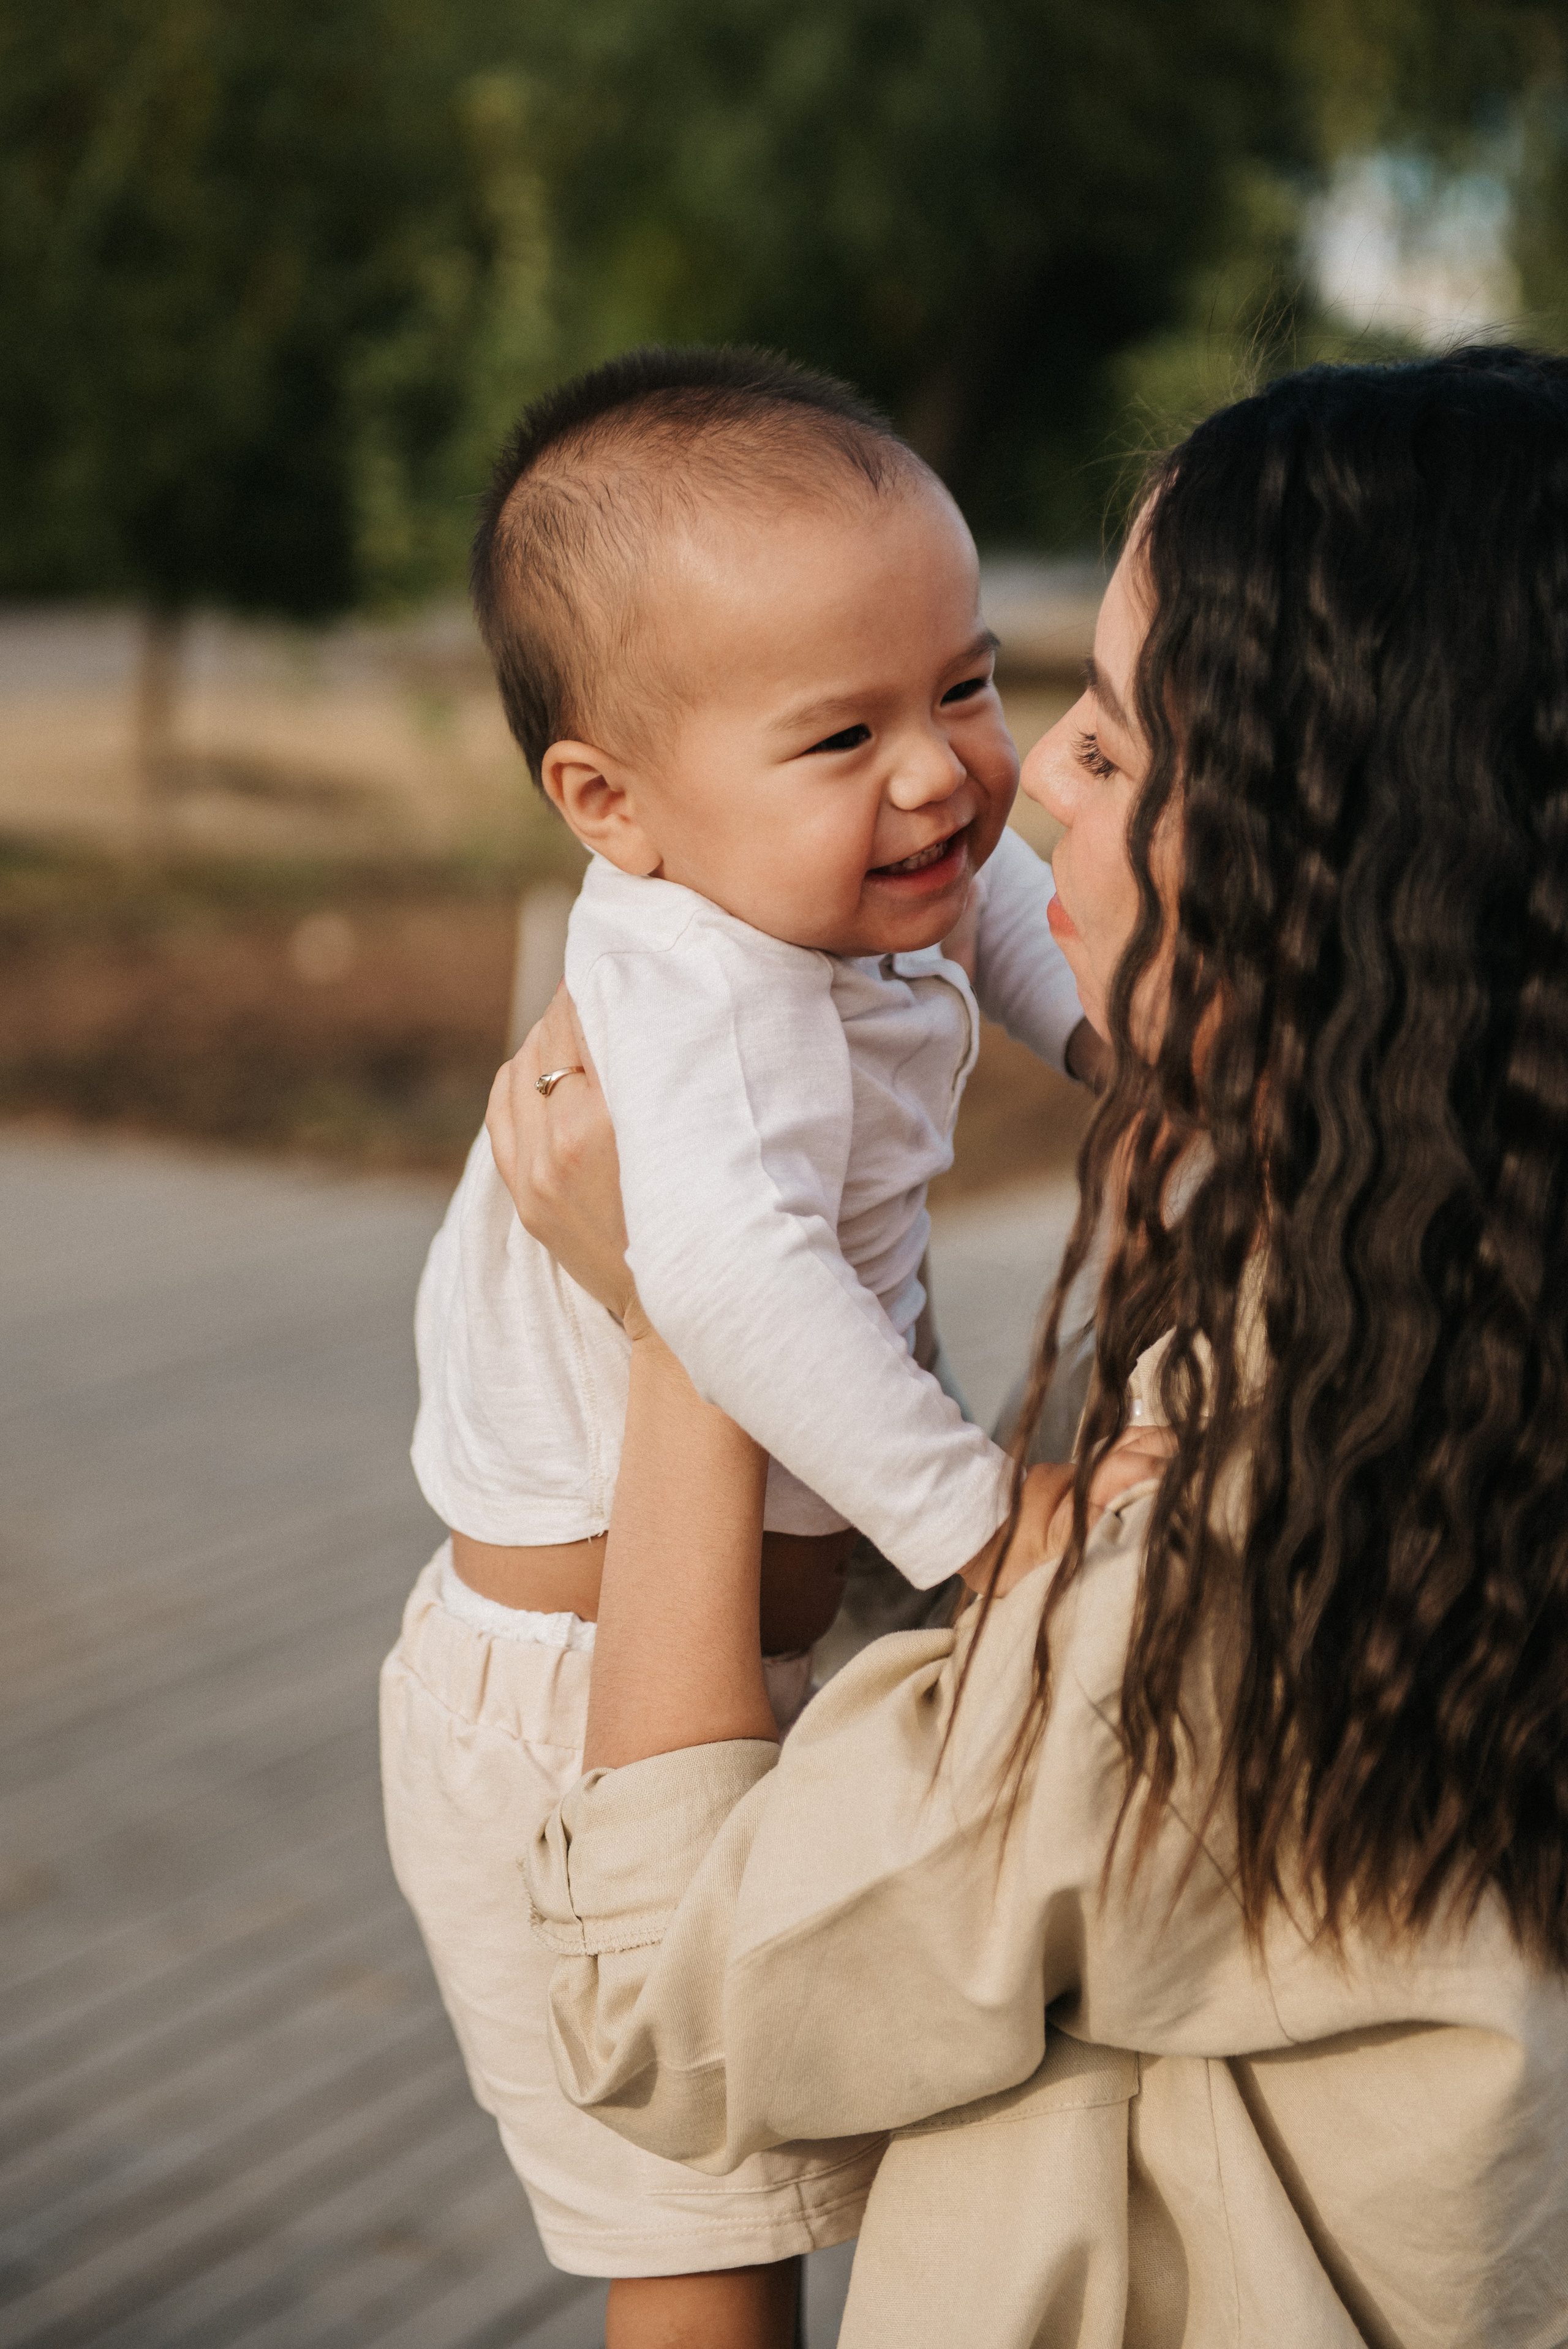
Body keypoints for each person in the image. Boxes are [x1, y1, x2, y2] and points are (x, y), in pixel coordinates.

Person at [494, 348, 1568, 2346]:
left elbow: (661, 2003)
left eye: (1107, 737)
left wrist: (669, 1326)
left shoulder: (1234, 1592)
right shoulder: (1454, 1362)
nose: (1012, 786)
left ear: (1347, 877)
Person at [381, 346, 1101, 2348]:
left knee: (864, 2144)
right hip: (570, 1722)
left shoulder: (855, 858)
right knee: (707, 2238)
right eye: (844, 730)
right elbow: (729, 1281)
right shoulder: (686, 981)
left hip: (783, 1643)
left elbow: (1020, 923)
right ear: (616, 809)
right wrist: (982, 1525)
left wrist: (1142, 1066)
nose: (944, 770)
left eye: (966, 681)